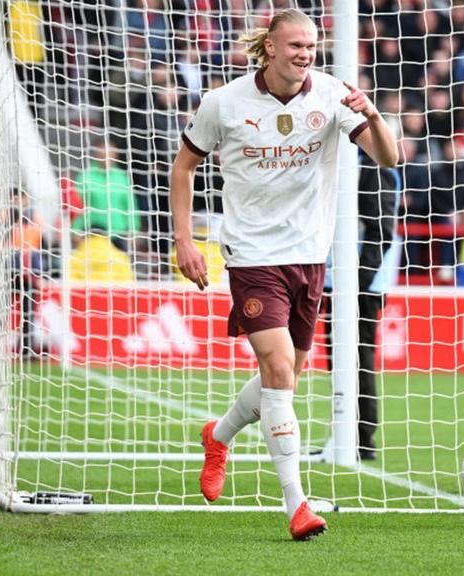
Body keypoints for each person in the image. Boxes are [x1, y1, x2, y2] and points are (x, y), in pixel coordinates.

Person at [170, 9, 398, 540]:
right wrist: (184, 241)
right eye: (295, 45)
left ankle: (219, 435)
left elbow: (390, 158)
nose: (305, 54)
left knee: (285, 379)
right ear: (269, 47)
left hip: (309, 256)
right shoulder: (223, 103)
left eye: (311, 46)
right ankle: (297, 504)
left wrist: (375, 114)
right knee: (276, 369)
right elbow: (184, 166)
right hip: (251, 256)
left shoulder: (331, 96)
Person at [321, 154, 401, 461]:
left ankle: (363, 437)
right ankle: (345, 432)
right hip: (339, 279)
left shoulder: (372, 167)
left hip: (363, 283)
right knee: (339, 356)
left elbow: (381, 231)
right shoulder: (343, 162)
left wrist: (360, 279)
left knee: (358, 355)